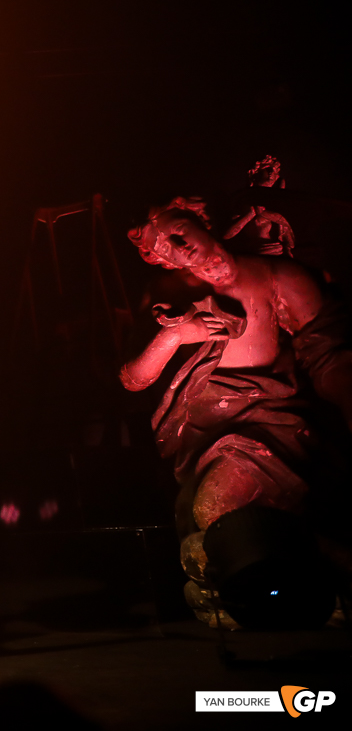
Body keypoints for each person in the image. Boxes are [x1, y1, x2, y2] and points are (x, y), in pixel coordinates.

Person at [120, 198, 352, 627]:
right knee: (215, 511)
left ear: (199, 221)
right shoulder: (168, 294)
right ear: (161, 261)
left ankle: (329, 574)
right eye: (165, 248)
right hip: (209, 431)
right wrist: (174, 338)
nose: (178, 247)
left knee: (230, 512)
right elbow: (133, 377)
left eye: (179, 230)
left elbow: (330, 355)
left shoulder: (279, 277)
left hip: (277, 419)